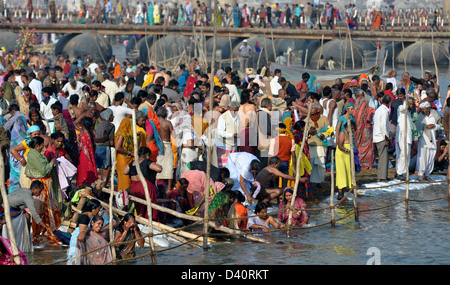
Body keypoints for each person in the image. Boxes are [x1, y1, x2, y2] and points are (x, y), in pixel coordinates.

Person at [24, 136, 61, 245]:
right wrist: (51, 162)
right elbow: (44, 171)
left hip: (44, 184)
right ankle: (40, 231)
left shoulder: (36, 154)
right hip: (40, 186)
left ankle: (45, 229)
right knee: (41, 208)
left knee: (45, 208)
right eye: (41, 146)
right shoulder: (34, 155)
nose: (42, 148)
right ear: (37, 146)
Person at [1, 180, 54, 253]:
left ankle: (26, 239)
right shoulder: (28, 197)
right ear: (34, 188)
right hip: (6, 208)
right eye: (40, 190)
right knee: (27, 216)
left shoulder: (25, 190)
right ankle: (24, 240)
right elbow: (35, 215)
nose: (40, 193)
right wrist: (46, 227)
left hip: (10, 206)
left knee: (27, 215)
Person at [123, 146, 162, 220]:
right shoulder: (146, 161)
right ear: (147, 154)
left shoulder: (132, 163)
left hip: (134, 187)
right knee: (149, 208)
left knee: (139, 207)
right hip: (144, 186)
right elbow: (159, 169)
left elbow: (124, 171)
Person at [67, 198, 102, 264]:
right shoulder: (84, 217)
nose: (98, 211)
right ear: (93, 209)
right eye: (98, 209)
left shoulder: (89, 217)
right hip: (77, 242)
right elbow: (82, 234)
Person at [115, 117, 146, 192]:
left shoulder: (126, 134)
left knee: (128, 179)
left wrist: (137, 134)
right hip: (123, 159)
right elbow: (117, 148)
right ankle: (123, 197)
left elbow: (129, 137)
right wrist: (130, 153)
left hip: (127, 159)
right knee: (124, 180)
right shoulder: (122, 134)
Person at [415, 101, 437, 181]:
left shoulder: (434, 115)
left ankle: (427, 174)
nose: (423, 111)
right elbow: (417, 127)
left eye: (424, 109)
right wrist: (424, 127)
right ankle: (421, 175)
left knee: (431, 157)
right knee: (422, 157)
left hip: (433, 139)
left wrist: (434, 125)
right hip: (423, 139)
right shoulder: (420, 117)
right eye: (422, 109)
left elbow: (439, 125)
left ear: (428, 109)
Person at [94, 108, 115, 189]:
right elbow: (112, 142)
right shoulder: (111, 125)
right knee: (107, 171)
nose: (113, 116)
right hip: (105, 149)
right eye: (111, 115)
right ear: (108, 116)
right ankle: (101, 191)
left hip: (98, 149)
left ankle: (100, 190)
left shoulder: (100, 124)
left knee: (102, 172)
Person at [373, 95, 392, 182]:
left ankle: (382, 176)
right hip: (381, 137)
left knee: (382, 157)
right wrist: (386, 138)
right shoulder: (384, 111)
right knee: (383, 158)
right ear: (388, 103)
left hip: (377, 136)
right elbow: (383, 125)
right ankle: (382, 177)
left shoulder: (378, 110)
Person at [155, 107, 174, 192]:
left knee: (158, 164)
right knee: (169, 165)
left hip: (157, 145)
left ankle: (157, 185)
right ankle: (169, 188)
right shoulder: (168, 123)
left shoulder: (155, 123)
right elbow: (174, 134)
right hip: (167, 145)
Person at [216, 101, 240, 168]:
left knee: (233, 166)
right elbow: (220, 132)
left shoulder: (237, 116)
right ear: (230, 108)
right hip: (224, 146)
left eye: (237, 110)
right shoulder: (223, 117)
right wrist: (232, 135)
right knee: (224, 167)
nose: (235, 112)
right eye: (234, 110)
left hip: (234, 145)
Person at [76, 117, 98, 186]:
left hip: (84, 156)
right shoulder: (91, 134)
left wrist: (78, 142)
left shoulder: (83, 135)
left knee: (84, 172)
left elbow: (81, 147)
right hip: (90, 156)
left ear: (83, 125)